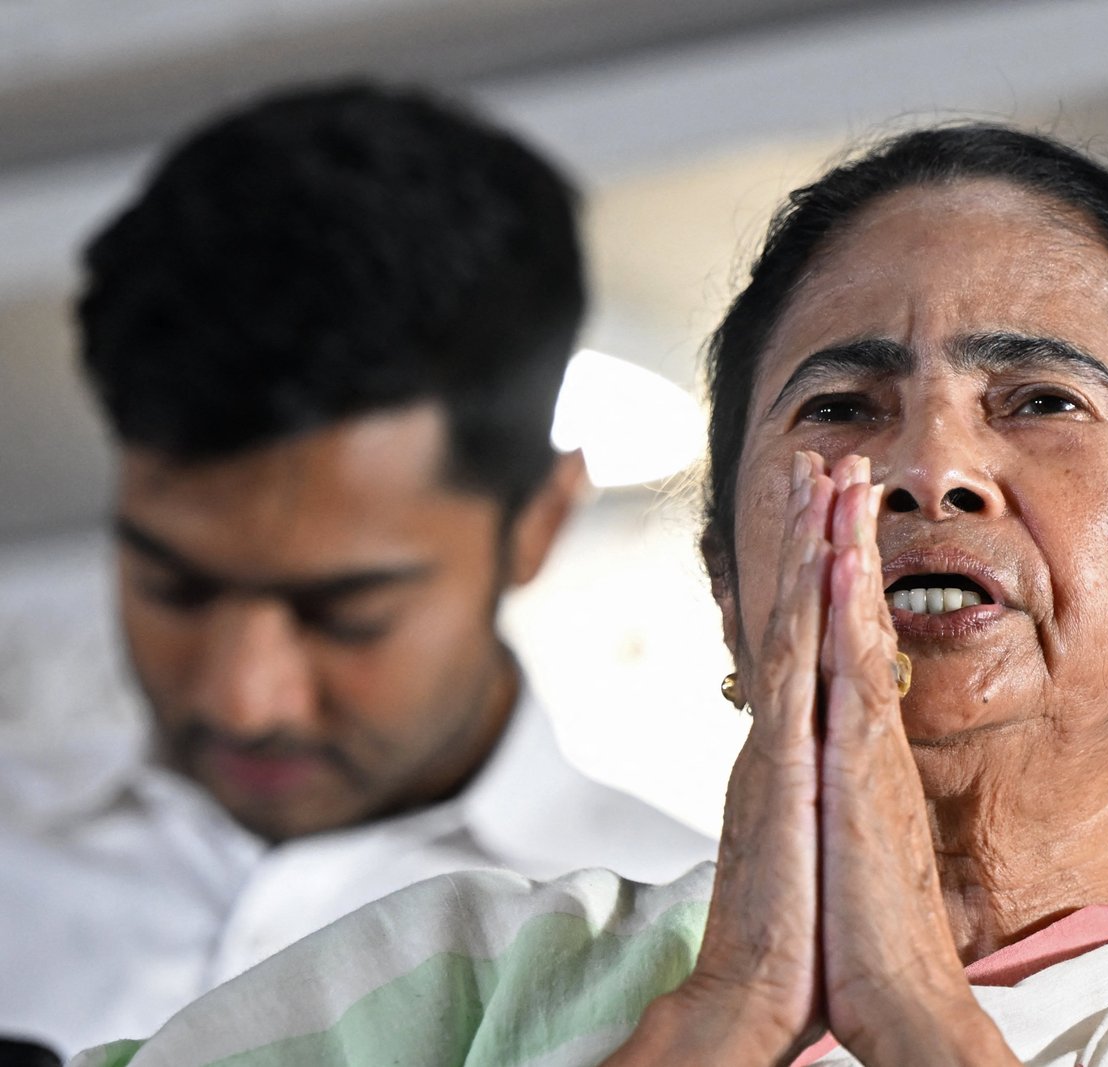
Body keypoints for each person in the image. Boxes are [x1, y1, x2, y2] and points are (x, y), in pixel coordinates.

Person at [69, 125, 1108, 1066]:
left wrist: (922, 1019)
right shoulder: (456, 981)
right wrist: (724, 1010)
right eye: (843, 402)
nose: (931, 465)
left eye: (1041, 398)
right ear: (725, 586)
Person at [0, 83, 712, 1061]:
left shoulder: (694, 953)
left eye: (347, 614)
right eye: (174, 586)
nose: (246, 696)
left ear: (538, 523)